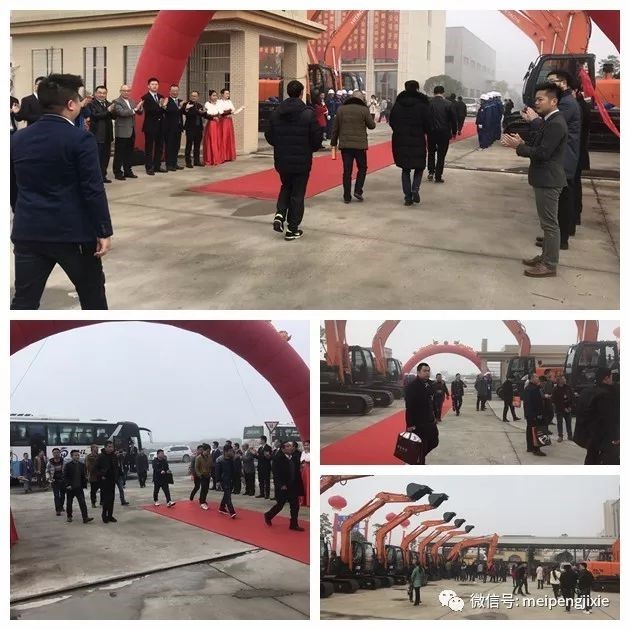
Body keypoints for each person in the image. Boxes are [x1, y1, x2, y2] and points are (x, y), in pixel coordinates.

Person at [10, 73, 113, 310]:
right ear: (71, 104)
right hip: (73, 234)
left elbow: (12, 187)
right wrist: (103, 230)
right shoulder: (80, 139)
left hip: (29, 232)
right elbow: (93, 189)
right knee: (93, 298)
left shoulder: (18, 139)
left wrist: (24, 214)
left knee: (24, 302)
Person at [501, 82, 568, 278]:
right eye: (536, 99)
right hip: (544, 178)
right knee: (547, 224)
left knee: (550, 225)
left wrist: (519, 147)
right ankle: (545, 257)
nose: (536, 103)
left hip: (549, 179)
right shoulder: (550, 120)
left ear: (553, 101)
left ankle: (549, 264)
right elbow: (540, 145)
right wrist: (523, 143)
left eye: (540, 99)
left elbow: (543, 153)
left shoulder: (556, 123)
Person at [265, 80, 321, 240]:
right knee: (297, 193)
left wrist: (280, 144)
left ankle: (280, 214)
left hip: (282, 159)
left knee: (286, 186)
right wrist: (310, 148)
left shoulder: (277, 112)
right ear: (301, 93)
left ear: (288, 93)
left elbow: (269, 135)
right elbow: (316, 138)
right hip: (302, 160)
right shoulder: (308, 114)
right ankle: (292, 228)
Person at [546, 70, 581, 249]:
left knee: (563, 200)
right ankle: (556, 237)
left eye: (552, 81)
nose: (550, 85)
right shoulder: (566, 100)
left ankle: (561, 239)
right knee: (560, 200)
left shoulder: (567, 103)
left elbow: (553, 126)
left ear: (563, 82)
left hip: (565, 157)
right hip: (565, 155)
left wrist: (536, 120)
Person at [389, 80, 432, 206]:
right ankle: (415, 189)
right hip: (417, 138)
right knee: (419, 166)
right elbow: (428, 123)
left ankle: (408, 197)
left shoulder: (398, 104)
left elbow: (392, 121)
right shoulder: (423, 104)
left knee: (405, 169)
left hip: (401, 139)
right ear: (417, 88)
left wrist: (399, 130)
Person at [330, 90, 375, 203]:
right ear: (361, 99)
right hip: (360, 146)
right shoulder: (364, 109)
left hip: (345, 146)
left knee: (347, 171)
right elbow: (372, 126)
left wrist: (333, 143)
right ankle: (358, 190)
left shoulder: (341, 109)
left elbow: (335, 128)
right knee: (362, 168)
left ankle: (346, 196)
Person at [264, 441, 305, 530]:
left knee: (295, 505)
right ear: (283, 448)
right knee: (280, 504)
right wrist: (281, 484)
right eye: (288, 446)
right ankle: (268, 515)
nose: (290, 448)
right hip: (284, 486)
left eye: (291, 446)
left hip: (293, 485)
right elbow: (276, 473)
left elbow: (297, 472)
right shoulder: (278, 458)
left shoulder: (294, 457)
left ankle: (294, 524)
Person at [404, 362, 438, 464]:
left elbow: (432, 400)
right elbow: (409, 407)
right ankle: (419, 463)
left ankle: (418, 458)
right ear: (418, 372)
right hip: (419, 424)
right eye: (424, 371)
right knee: (421, 447)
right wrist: (409, 425)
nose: (427, 373)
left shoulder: (430, 384)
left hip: (430, 421)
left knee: (434, 442)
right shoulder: (412, 387)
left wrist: (435, 416)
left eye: (428, 371)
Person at [585, 367, 620, 465]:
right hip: (604, 436)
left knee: (591, 457)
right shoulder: (606, 394)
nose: (612, 379)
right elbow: (609, 417)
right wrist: (615, 437)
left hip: (594, 434)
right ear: (606, 378)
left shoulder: (594, 391)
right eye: (611, 376)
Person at [111, 84, 143, 181]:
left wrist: (140, 108)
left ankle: (128, 171)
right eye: (124, 91)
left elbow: (138, 112)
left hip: (131, 130)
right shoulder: (116, 101)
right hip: (121, 131)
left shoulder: (132, 101)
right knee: (119, 153)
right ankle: (117, 172)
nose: (126, 92)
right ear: (120, 91)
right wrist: (135, 109)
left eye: (128, 91)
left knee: (129, 153)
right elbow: (122, 113)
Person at [427, 86, 457, 183]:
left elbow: (424, 118)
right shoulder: (449, 104)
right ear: (443, 92)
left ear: (434, 92)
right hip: (444, 132)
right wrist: (454, 132)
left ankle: (431, 172)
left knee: (431, 152)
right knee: (441, 155)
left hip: (431, 132)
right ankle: (438, 176)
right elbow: (453, 119)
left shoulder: (428, 103)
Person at [88, 85, 115, 183]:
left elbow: (114, 117)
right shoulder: (91, 104)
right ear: (95, 93)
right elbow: (95, 116)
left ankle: (103, 176)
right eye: (100, 93)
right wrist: (108, 111)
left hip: (107, 135)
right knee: (97, 158)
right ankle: (96, 177)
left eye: (104, 93)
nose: (102, 95)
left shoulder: (109, 103)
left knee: (106, 158)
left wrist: (113, 110)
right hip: (97, 135)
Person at [141, 77, 166, 175]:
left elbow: (164, 110)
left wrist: (162, 107)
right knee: (149, 147)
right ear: (148, 86)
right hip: (150, 126)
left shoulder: (161, 97)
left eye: (156, 84)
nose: (154, 86)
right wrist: (161, 106)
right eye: (152, 84)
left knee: (159, 147)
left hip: (160, 125)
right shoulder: (145, 97)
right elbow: (150, 110)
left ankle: (157, 166)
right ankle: (149, 167)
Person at [63, 449, 94, 524]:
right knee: (69, 503)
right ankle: (69, 516)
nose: (77, 456)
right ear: (71, 456)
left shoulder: (82, 465)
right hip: (70, 488)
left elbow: (83, 475)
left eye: (78, 455)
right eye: (75, 455)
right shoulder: (68, 465)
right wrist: (68, 485)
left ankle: (85, 518)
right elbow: (65, 476)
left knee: (82, 503)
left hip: (79, 487)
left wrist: (85, 481)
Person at [162, 84, 184, 171]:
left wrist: (185, 108)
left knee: (176, 146)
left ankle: (175, 163)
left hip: (178, 128)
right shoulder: (167, 101)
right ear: (170, 92)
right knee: (169, 146)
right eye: (173, 91)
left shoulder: (180, 101)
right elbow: (170, 111)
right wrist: (180, 107)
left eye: (176, 91)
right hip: (169, 128)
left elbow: (183, 112)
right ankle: (169, 165)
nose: (175, 92)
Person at [96, 441, 119, 523]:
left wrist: (117, 476)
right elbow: (95, 469)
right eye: (109, 446)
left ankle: (110, 515)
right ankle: (104, 515)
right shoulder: (100, 456)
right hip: (104, 480)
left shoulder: (114, 456)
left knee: (112, 499)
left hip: (112, 480)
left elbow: (116, 467)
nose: (111, 448)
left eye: (112, 447)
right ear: (105, 447)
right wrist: (101, 475)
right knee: (106, 499)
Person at [523, 373, 546, 457]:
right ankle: (536, 449)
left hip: (531, 414)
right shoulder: (532, 389)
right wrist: (536, 414)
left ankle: (530, 447)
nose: (538, 378)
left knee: (530, 431)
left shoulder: (531, 388)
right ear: (532, 378)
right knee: (535, 431)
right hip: (534, 414)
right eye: (536, 377)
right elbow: (531, 404)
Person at [182, 90, 205, 167]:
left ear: (198, 97)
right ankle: (188, 162)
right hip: (190, 128)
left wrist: (206, 113)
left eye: (195, 96)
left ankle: (196, 161)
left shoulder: (199, 105)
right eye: (192, 96)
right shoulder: (187, 104)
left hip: (198, 128)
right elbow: (185, 112)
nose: (193, 97)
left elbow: (203, 115)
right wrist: (198, 112)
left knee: (197, 145)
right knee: (189, 145)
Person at [215, 445, 237, 517]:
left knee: (227, 495)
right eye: (230, 451)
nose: (231, 452)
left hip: (231, 480)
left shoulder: (232, 459)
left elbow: (234, 470)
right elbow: (217, 472)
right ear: (225, 452)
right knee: (228, 496)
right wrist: (218, 481)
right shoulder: (219, 460)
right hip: (223, 480)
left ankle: (222, 507)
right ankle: (232, 512)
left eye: (232, 451)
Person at [202, 90, 222, 166]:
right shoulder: (207, 104)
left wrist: (219, 116)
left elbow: (220, 113)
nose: (215, 97)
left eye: (216, 95)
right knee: (211, 140)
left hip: (218, 123)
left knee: (217, 140)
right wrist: (213, 117)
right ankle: (210, 159)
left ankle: (217, 158)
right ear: (210, 96)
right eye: (213, 95)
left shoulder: (218, 104)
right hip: (211, 124)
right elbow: (206, 114)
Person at [217, 88, 237, 162]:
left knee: (229, 137)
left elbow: (233, 109)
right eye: (226, 93)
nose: (228, 95)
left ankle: (229, 155)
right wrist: (228, 111)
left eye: (228, 93)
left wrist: (230, 111)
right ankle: (222, 156)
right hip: (222, 121)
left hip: (229, 120)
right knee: (223, 136)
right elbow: (221, 111)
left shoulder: (229, 101)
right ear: (222, 94)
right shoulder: (219, 102)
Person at [552, 375, 573, 442]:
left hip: (568, 408)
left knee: (569, 422)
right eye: (563, 379)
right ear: (559, 380)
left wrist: (570, 406)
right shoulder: (555, 389)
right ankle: (560, 436)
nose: (565, 380)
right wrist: (563, 408)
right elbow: (555, 401)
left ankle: (570, 436)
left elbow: (572, 397)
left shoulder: (568, 387)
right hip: (560, 409)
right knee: (560, 423)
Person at [47, 448, 66, 516]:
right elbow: (47, 471)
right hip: (54, 481)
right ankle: (58, 510)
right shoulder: (50, 462)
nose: (56, 454)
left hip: (62, 480)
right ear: (52, 454)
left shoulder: (63, 461)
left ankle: (61, 506)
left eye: (57, 452)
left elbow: (66, 470)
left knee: (63, 495)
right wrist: (49, 478)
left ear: (60, 453)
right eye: (54, 453)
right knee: (56, 495)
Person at [195, 443, 212, 510]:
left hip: (208, 475)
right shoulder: (198, 458)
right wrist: (199, 475)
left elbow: (211, 465)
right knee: (203, 489)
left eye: (209, 451)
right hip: (202, 476)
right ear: (204, 450)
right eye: (207, 451)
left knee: (206, 489)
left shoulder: (209, 456)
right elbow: (196, 468)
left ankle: (203, 500)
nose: (208, 452)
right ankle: (202, 503)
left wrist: (210, 472)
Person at [300, 440, 310, 508]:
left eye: (307, 445)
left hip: (309, 469)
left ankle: (309, 501)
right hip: (304, 470)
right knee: (304, 484)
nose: (306, 446)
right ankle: (303, 501)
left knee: (309, 484)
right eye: (305, 445)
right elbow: (301, 460)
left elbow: (308, 459)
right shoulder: (303, 452)